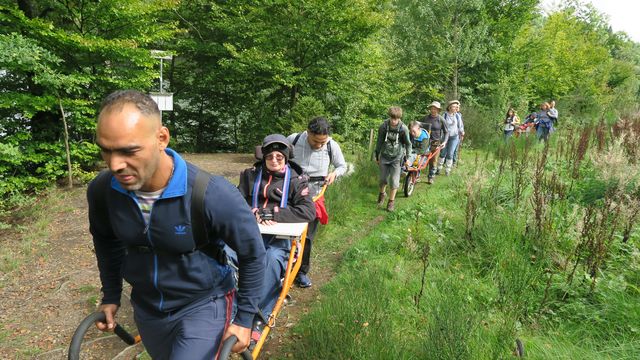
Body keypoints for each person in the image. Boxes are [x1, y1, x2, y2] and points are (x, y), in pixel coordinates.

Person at [87, 90, 266, 358]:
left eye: (129, 151)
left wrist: (244, 320)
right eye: (106, 150)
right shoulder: (103, 191)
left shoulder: (210, 193)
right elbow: (106, 242)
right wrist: (111, 296)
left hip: (205, 304)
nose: (115, 164)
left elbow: (252, 253)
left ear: (161, 138)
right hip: (148, 309)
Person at [237, 134, 315, 340]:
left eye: (279, 157)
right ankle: (227, 304)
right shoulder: (249, 175)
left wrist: (274, 214)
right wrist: (251, 212)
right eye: (269, 156)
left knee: (270, 259)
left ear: (286, 157)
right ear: (263, 157)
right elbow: (235, 201)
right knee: (223, 252)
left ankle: (259, 313)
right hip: (250, 232)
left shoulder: (298, 180)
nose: (273, 160)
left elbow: (308, 211)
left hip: (281, 238)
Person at [288, 117, 347, 288]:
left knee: (307, 236)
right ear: (308, 132)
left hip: (314, 195)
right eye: (316, 141)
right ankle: (283, 269)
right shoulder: (294, 139)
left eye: (323, 142)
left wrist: (334, 174)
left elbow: (341, 166)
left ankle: (301, 272)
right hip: (291, 193)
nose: (319, 145)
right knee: (287, 233)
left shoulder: (331, 145)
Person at [374, 106, 412, 211]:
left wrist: (408, 157)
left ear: (399, 118)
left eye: (396, 119)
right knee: (382, 179)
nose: (394, 121)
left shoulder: (403, 128)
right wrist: (377, 156)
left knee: (394, 180)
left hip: (397, 157)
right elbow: (379, 142)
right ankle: (382, 194)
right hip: (384, 156)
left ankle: (391, 202)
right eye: (392, 118)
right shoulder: (383, 126)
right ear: (389, 117)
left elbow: (408, 144)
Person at [420, 101, 448, 184]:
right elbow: (418, 127)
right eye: (432, 108)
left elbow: (446, 132)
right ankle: (416, 175)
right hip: (425, 141)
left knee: (433, 160)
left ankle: (431, 177)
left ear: (438, 110)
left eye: (435, 109)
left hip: (436, 142)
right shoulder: (425, 118)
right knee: (421, 158)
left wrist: (444, 142)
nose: (433, 110)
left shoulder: (441, 120)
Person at [438, 100, 464, 176]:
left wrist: (462, 133)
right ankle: (439, 168)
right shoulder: (444, 115)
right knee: (443, 153)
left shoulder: (457, 116)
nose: (456, 108)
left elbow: (460, 126)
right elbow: (440, 126)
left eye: (456, 107)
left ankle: (447, 170)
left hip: (454, 137)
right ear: (449, 107)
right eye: (454, 107)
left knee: (450, 153)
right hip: (445, 137)